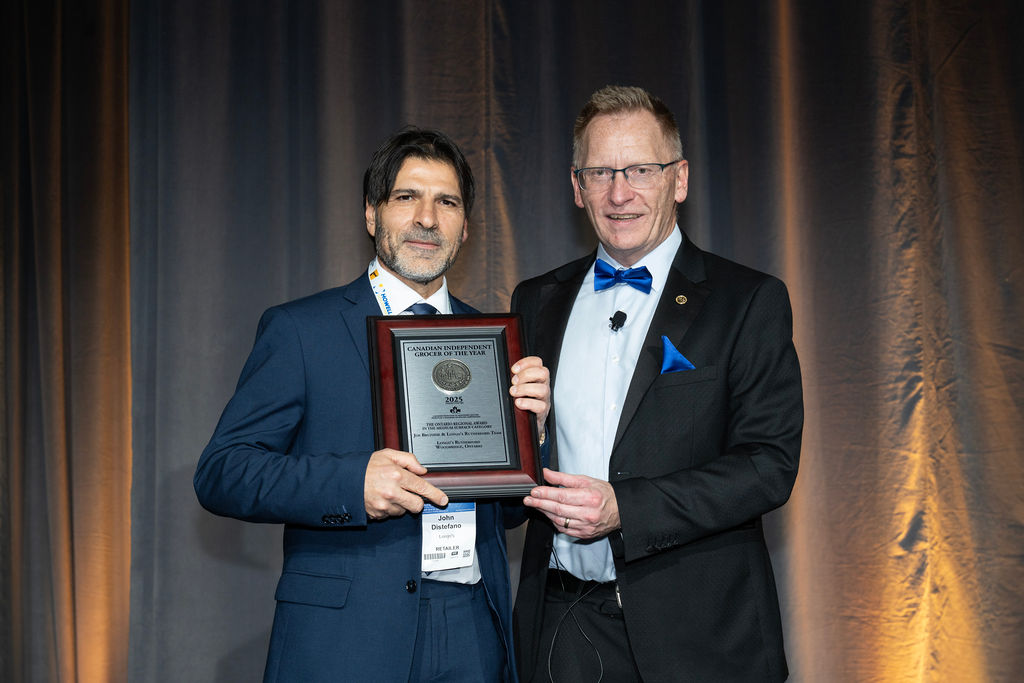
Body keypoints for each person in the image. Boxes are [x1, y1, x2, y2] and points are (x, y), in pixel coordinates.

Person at [194, 127, 550, 682]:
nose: (427, 218)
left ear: (465, 226)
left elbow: (505, 512)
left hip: (472, 629)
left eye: (447, 202)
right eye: (407, 197)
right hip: (347, 637)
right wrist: (351, 483)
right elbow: (223, 472)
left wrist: (533, 434)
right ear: (371, 213)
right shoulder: (302, 330)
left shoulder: (490, 341)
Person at [510, 85, 802, 682]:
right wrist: (528, 440)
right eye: (600, 173)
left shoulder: (747, 300)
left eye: (641, 170)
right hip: (561, 627)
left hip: (699, 637)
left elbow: (767, 465)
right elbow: (520, 458)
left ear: (680, 179)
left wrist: (628, 509)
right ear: (576, 187)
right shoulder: (535, 301)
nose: (620, 193)